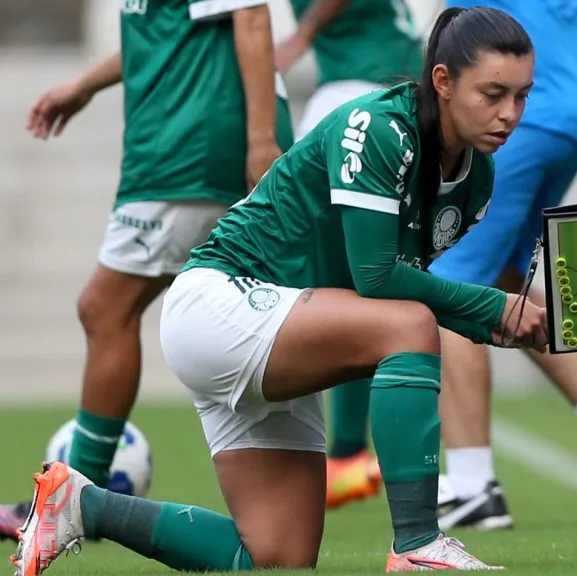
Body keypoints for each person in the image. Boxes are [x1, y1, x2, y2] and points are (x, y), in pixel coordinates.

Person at [10, 7, 539, 575]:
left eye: (522, 96)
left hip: (282, 327)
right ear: (442, 81)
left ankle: (82, 505)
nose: (509, 114)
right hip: (222, 302)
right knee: (408, 323)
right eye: (493, 93)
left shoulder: (475, 180)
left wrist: (504, 323)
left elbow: (390, 294)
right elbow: (378, 281)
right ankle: (417, 545)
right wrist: (492, 307)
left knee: (277, 558)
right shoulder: (381, 127)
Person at [0, 0, 292, 541]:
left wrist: (260, 142)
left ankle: (69, 499)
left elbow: (250, 14)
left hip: (190, 146)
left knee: (105, 307)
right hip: (178, 140)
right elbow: (159, 34)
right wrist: (86, 84)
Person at [423, 0, 577, 531]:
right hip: (571, 110)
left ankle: (473, 487)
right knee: (503, 278)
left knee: (450, 281)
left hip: (516, 114)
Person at [273, 0, 425, 510]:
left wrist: (302, 34)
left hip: (358, 86)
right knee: (366, 278)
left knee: (320, 274)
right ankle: (347, 451)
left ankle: (336, 452)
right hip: (399, 85)